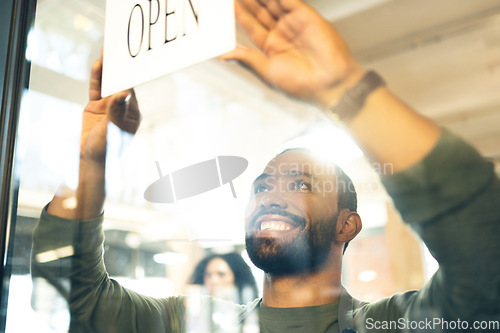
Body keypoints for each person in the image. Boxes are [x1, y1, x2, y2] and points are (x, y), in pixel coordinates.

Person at [31, 0, 500, 332]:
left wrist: (343, 89)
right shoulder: (189, 324)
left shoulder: (398, 325)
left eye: (299, 181)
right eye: (262, 183)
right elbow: (76, 297)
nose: (269, 194)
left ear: (347, 225)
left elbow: (483, 253)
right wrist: (92, 161)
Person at [190, 253, 259, 304]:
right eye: (208, 275)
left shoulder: (250, 316)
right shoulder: (198, 314)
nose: (213, 281)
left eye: (221, 274)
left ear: (237, 279)